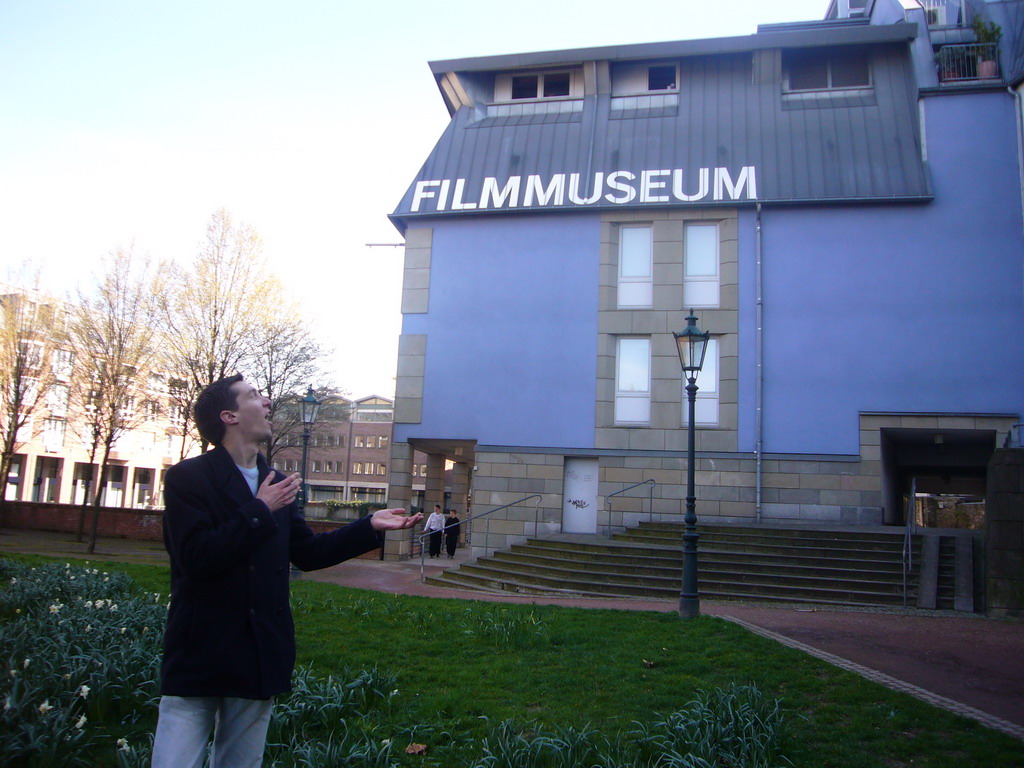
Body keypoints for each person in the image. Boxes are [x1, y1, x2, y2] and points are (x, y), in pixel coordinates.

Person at [151, 374, 421, 768]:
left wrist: (369, 526)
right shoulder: (188, 478)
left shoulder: (274, 481)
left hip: (258, 652)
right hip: (200, 652)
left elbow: (308, 552)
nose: (267, 403)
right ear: (229, 415)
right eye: (254, 396)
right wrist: (260, 510)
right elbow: (195, 558)